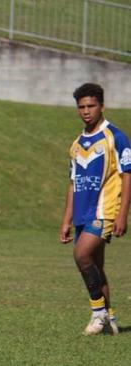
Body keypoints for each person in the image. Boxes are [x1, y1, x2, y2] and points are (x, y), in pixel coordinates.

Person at [59, 83, 130, 336]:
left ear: (101, 106)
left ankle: (97, 312)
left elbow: (127, 176)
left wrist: (123, 214)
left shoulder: (116, 137)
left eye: (91, 106)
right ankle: (110, 320)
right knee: (96, 266)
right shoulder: (76, 144)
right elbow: (72, 183)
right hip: (82, 212)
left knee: (81, 255)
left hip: (105, 210)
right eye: (81, 107)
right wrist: (66, 220)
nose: (86, 111)